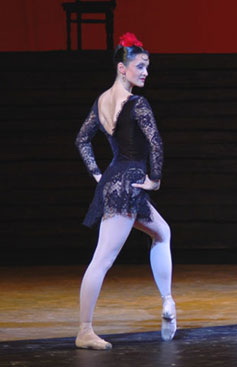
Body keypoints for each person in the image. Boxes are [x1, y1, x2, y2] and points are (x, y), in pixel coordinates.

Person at [74, 32, 176, 349]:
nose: (145, 72)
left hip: (116, 179)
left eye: (147, 67)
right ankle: (84, 330)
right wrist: (155, 179)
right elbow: (156, 142)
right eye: (140, 66)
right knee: (102, 259)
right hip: (128, 182)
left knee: (162, 232)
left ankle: (169, 302)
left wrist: (98, 175)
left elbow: (82, 140)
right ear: (122, 68)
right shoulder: (137, 104)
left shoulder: (102, 101)